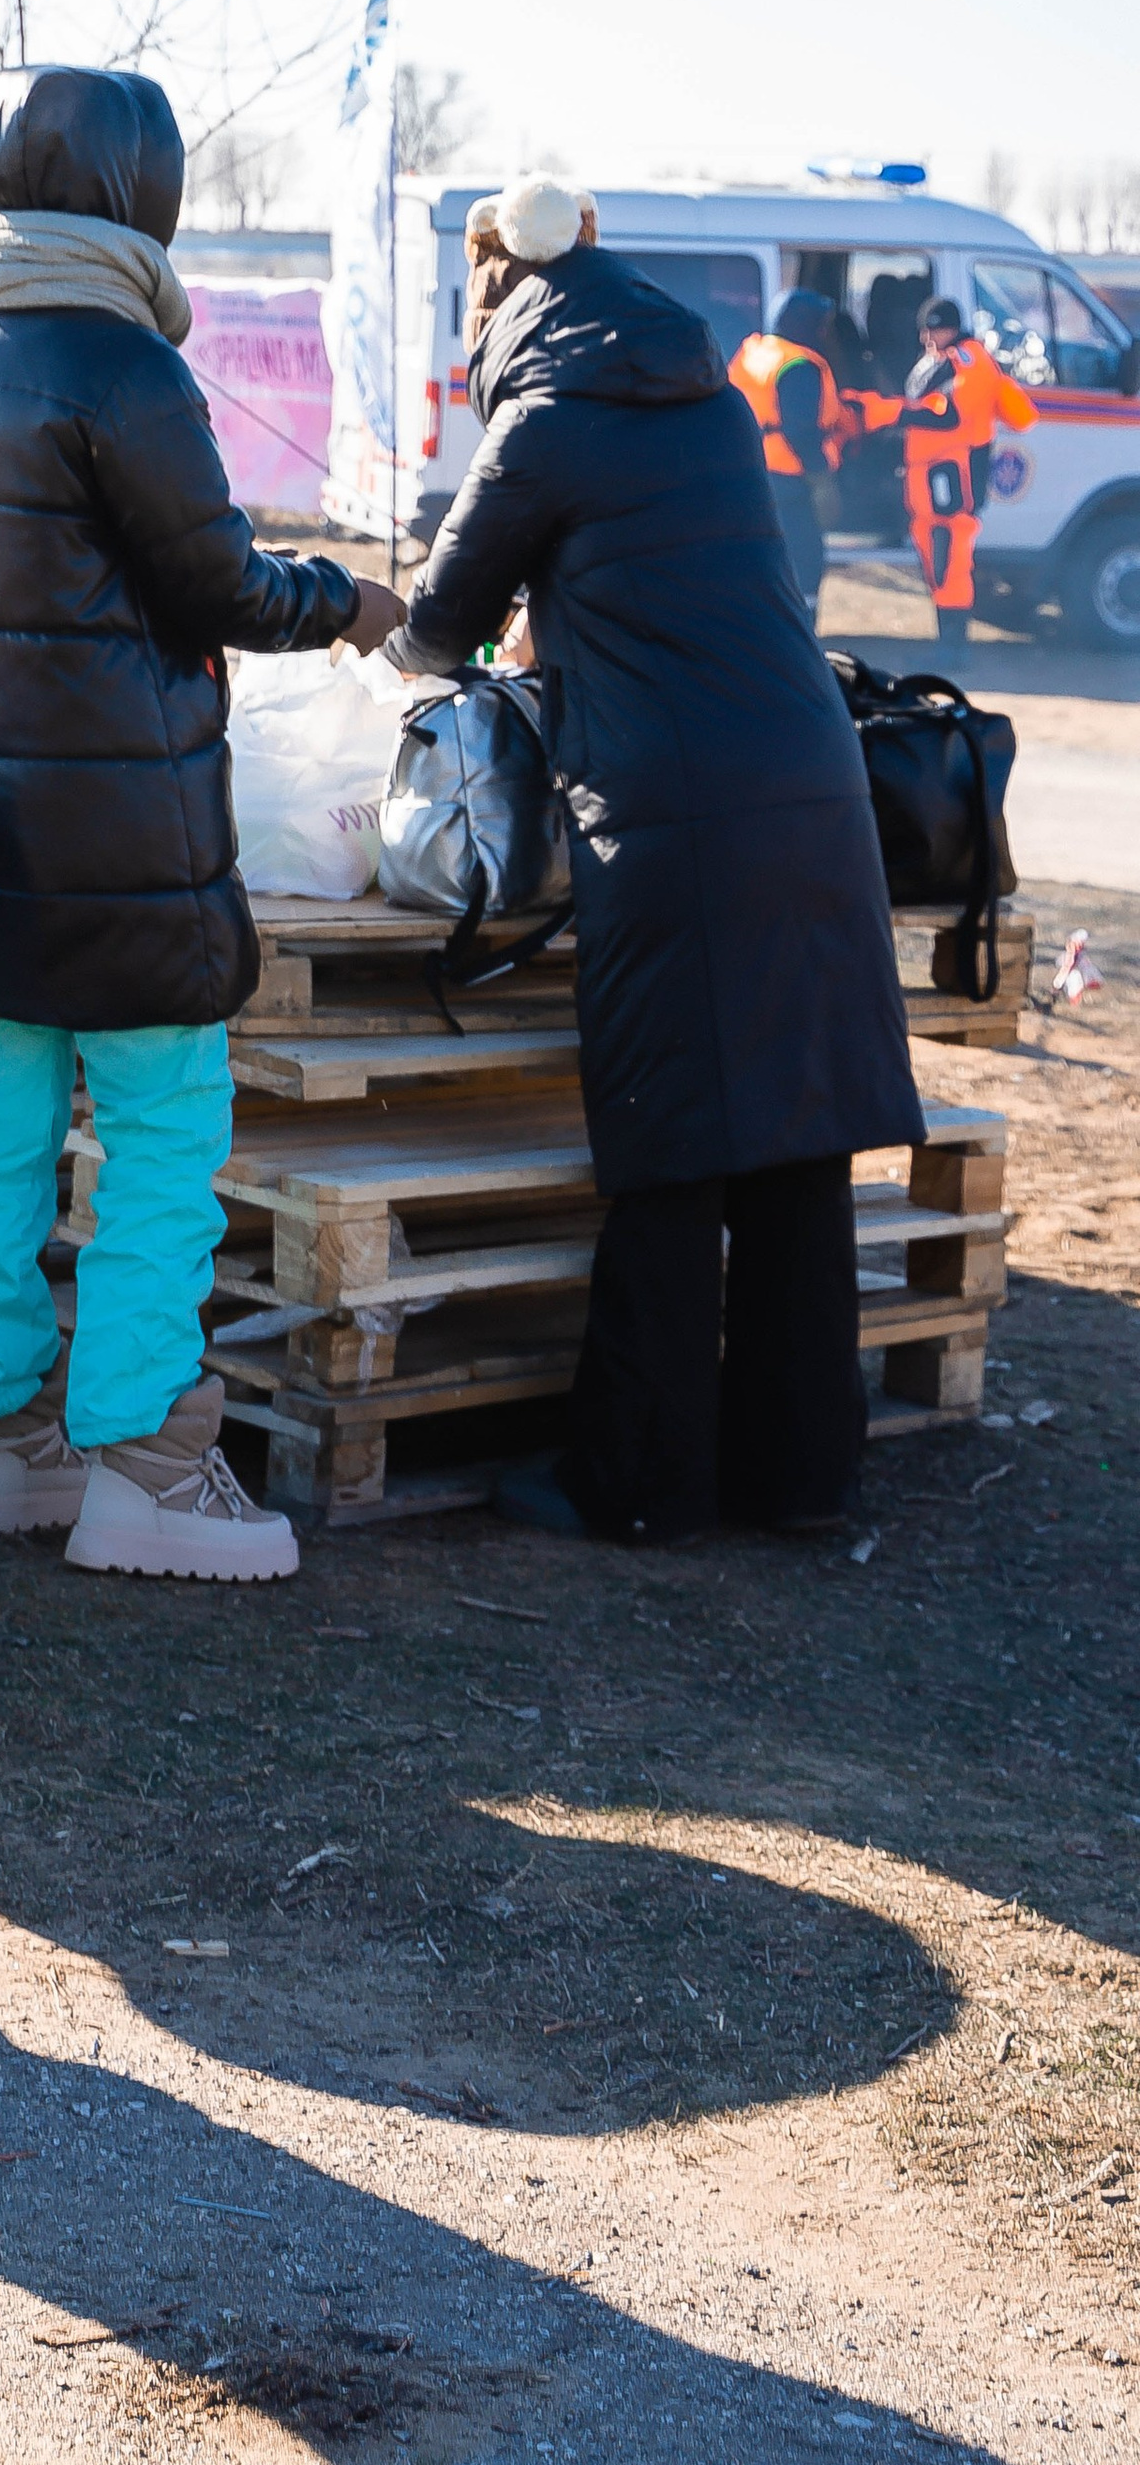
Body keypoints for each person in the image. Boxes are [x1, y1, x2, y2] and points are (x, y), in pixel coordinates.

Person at [0, 65, 404, 1583]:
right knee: (164, 1137)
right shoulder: (121, 365)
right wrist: (351, 601)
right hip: (123, 836)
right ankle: (148, 1466)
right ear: (133, 193)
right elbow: (218, 587)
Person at [384, 173, 924, 1545]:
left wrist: (378, 639)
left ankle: (640, 1485)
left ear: (496, 286)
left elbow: (438, 627)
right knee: (799, 1142)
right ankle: (801, 1479)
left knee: (673, 1147)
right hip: (811, 782)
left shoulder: (546, 420)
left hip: (673, 810)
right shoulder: (707, 395)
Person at [899, 294, 1035, 646]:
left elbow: (952, 413)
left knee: (952, 562)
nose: (926, 339)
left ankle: (953, 648)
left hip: (954, 477)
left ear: (950, 329)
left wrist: (894, 413)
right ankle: (947, 644)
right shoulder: (945, 359)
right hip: (936, 476)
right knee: (939, 561)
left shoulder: (968, 360)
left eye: (932, 330)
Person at [728, 286, 857, 618]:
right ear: (802, 323)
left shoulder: (755, 352)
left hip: (749, 473)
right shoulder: (798, 364)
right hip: (789, 482)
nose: (825, 331)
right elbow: (801, 431)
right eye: (820, 322)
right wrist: (823, 482)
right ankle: (802, 639)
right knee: (805, 562)